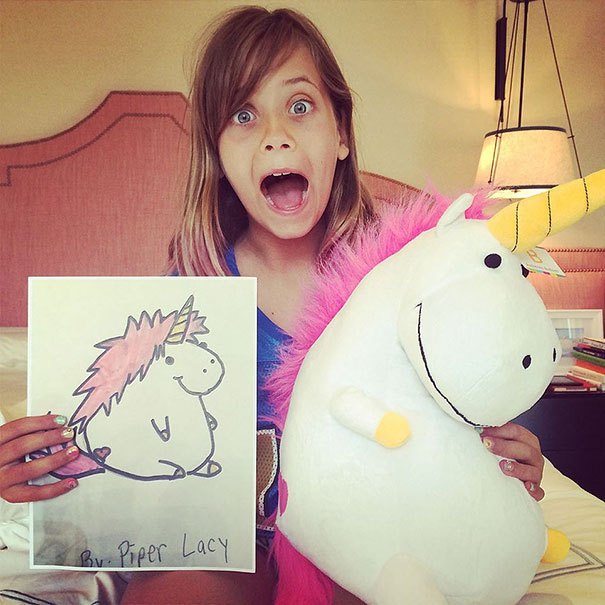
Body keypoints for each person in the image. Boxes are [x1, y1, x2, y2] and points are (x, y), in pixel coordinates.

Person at [0, 6, 546, 605]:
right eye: (243, 115)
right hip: (236, 547)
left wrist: (503, 455)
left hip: (369, 535)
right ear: (218, 154)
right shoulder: (186, 297)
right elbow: (126, 442)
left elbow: (458, 406)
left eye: (300, 106)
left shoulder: (403, 279)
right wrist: (43, 461)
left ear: (341, 133)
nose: (275, 135)